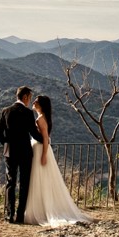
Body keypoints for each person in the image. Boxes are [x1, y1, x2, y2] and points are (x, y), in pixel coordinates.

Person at [23, 95, 90, 227]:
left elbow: (46, 138)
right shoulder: (42, 117)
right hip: (39, 150)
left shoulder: (41, 119)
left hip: (41, 151)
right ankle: (41, 207)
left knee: (41, 179)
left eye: (36, 101)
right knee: (41, 180)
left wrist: (43, 156)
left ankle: (42, 209)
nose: (34, 102)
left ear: (41, 105)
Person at [0, 86, 41, 223]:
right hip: (25, 153)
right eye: (30, 98)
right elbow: (34, 133)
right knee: (24, 183)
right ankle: (20, 215)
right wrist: (45, 139)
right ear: (26, 97)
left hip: (10, 153)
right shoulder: (27, 113)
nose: (30, 100)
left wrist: (7, 144)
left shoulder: (6, 111)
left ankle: (10, 214)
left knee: (11, 182)